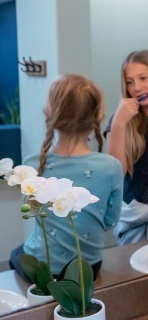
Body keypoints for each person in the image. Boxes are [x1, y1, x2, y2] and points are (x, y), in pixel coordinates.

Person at [9, 74, 123, 281]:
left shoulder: (32, 165)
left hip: (43, 268)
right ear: (98, 117)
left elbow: (35, 213)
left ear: (50, 114)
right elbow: (109, 223)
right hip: (88, 268)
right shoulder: (111, 167)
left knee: (15, 255)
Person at [104, 50, 148, 245]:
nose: (137, 88)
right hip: (133, 220)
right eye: (130, 82)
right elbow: (115, 173)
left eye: (143, 78)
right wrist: (118, 124)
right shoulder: (120, 123)